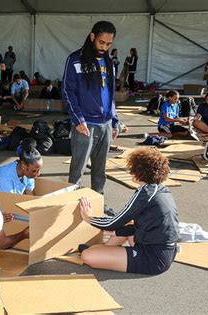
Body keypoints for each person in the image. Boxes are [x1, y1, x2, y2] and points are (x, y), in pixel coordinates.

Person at [78, 147, 180, 275]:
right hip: (164, 251)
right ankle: (105, 251)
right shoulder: (160, 189)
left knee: (88, 256)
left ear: (139, 173)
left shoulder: (146, 193)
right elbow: (130, 223)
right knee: (127, 224)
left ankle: (101, 252)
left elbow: (115, 222)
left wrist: (88, 217)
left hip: (152, 258)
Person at [62, 21, 119, 200]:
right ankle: (72, 203)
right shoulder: (75, 59)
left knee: (100, 170)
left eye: (109, 44)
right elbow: (67, 91)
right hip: (85, 124)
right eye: (101, 42)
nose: (104, 47)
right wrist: (78, 119)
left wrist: (115, 119)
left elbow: (110, 94)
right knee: (78, 169)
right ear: (92, 36)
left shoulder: (109, 62)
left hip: (106, 124)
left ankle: (98, 203)